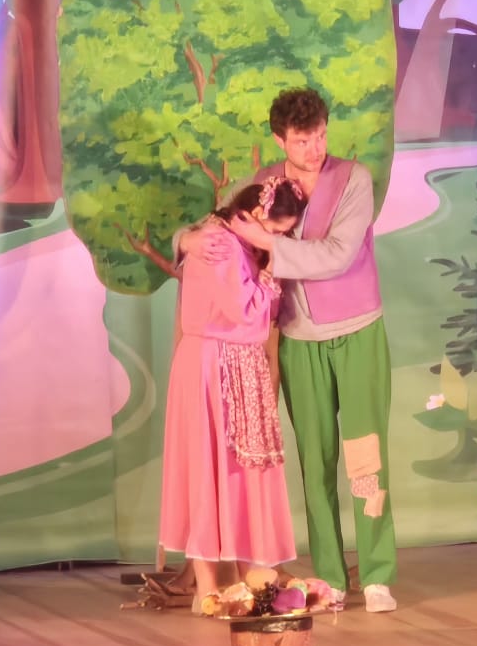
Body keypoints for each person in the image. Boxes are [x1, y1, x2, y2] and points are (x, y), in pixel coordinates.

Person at [181, 87, 399, 613]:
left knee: (365, 457)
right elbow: (216, 224)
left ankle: (377, 574)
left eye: (320, 135)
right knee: (314, 461)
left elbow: (338, 255)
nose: (315, 148)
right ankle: (331, 576)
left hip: (357, 330)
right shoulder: (262, 186)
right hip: (299, 339)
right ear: (280, 140)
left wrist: (268, 243)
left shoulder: (353, 180)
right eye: (303, 140)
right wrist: (184, 242)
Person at [159, 176, 308, 611]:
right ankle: (206, 586)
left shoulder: (235, 241)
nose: (276, 240)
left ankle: (248, 573)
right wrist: (271, 273)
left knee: (239, 471)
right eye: (276, 230)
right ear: (257, 215)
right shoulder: (220, 242)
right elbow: (243, 312)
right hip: (214, 363)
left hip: (235, 359)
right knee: (207, 467)